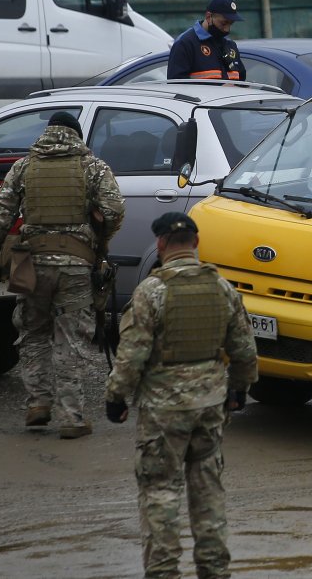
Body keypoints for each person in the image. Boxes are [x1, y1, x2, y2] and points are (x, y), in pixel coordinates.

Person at [104, 212, 258, 579]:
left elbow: (132, 353)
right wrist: (239, 389)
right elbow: (244, 350)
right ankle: (214, 569)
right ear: (196, 242)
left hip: (163, 410)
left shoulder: (151, 292)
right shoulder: (221, 288)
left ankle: (163, 571)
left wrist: (116, 396)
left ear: (160, 245)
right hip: (210, 405)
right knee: (208, 490)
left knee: (160, 490)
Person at [0, 112, 124, 438]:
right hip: (75, 263)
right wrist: (99, 239)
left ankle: (37, 405)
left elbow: (0, 216)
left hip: (28, 262)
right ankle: (71, 417)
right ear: (76, 135)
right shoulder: (93, 167)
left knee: (32, 332)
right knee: (71, 338)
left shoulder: (23, 167)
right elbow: (114, 210)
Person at [167, 0, 247, 81]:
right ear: (208, 17)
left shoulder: (230, 45)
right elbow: (176, 83)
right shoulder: (185, 43)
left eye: (231, 24)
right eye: (223, 23)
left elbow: (241, 80)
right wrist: (219, 87)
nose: (227, 29)